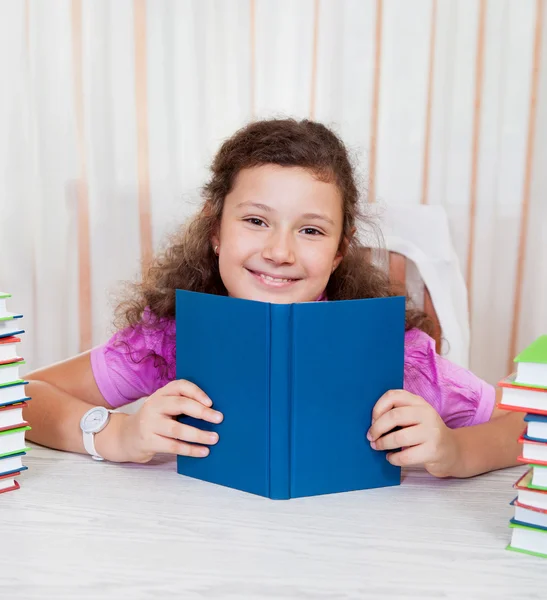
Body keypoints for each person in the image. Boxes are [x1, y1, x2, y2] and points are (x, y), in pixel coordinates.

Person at [24, 118, 524, 478]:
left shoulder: (399, 354)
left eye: (310, 230)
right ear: (215, 230)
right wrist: (114, 435)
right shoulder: (166, 339)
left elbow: (528, 422)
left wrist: (454, 451)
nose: (279, 251)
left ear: (338, 251)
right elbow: (21, 398)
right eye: (256, 220)